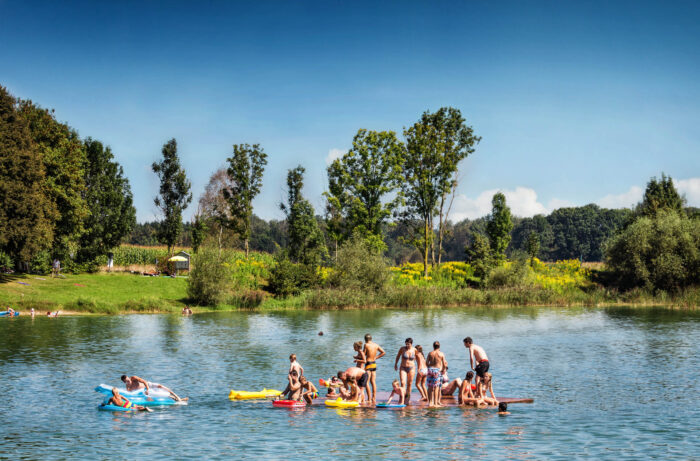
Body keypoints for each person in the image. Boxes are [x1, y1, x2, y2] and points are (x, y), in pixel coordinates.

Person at [120, 375, 186, 401]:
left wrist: (148, 389)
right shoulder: (128, 387)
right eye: (126, 381)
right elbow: (129, 394)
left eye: (128, 380)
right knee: (159, 395)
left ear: (128, 377)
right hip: (145, 391)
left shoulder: (134, 378)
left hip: (148, 385)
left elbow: (144, 382)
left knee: (160, 386)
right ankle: (174, 399)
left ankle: (176, 396)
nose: (128, 381)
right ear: (124, 382)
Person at [362, 334, 385, 403]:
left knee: (367, 382)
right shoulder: (376, 345)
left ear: (365, 339)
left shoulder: (366, 345)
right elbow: (383, 352)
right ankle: (374, 398)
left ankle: (369, 399)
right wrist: (376, 357)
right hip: (374, 364)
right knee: (373, 382)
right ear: (371, 339)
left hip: (368, 364)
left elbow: (363, 354)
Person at [394, 337, 417, 405]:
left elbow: (418, 358)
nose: (407, 345)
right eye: (406, 344)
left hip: (411, 368)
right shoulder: (402, 349)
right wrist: (395, 364)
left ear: (411, 344)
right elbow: (398, 356)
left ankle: (407, 399)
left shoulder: (414, 350)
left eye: (408, 344)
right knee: (403, 383)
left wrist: (420, 367)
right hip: (403, 367)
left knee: (409, 384)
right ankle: (401, 398)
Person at [426, 341, 447, 407]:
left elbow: (426, 362)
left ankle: (430, 402)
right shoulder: (441, 354)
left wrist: (430, 367)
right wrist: (443, 370)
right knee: (436, 387)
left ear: (433, 346)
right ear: (439, 347)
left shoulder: (430, 353)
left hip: (430, 369)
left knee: (430, 386)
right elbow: (444, 364)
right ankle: (435, 403)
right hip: (437, 370)